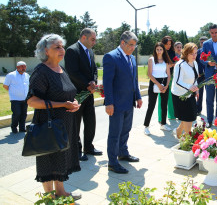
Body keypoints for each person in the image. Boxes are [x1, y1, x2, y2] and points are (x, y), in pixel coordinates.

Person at [27, 34, 81, 200]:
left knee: (61, 158)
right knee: (48, 160)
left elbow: (68, 92)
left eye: (62, 46)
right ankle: (50, 198)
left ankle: (61, 192)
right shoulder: (41, 72)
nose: (61, 50)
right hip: (48, 125)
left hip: (64, 123)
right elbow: (32, 101)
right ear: (45, 51)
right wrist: (63, 105)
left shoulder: (61, 69)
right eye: (56, 47)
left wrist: (74, 101)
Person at [103, 31, 142, 174]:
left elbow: (134, 79)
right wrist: (109, 103)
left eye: (134, 45)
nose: (133, 48)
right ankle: (112, 162)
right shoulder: (111, 57)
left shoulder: (131, 58)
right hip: (116, 104)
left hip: (129, 102)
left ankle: (123, 153)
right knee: (115, 133)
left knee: (126, 130)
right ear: (122, 43)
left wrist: (138, 96)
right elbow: (107, 83)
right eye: (131, 45)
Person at [65, 28, 102, 162]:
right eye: (93, 39)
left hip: (89, 93)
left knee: (90, 121)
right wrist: (88, 84)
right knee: (76, 123)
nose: (95, 42)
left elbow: (95, 70)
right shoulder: (72, 50)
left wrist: (94, 81)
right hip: (77, 93)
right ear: (84, 38)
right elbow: (73, 72)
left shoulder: (90, 51)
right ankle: (76, 149)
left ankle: (88, 147)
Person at [171, 43, 199, 138]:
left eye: (196, 53)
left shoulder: (195, 63)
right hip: (180, 95)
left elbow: (195, 78)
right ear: (186, 53)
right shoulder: (180, 64)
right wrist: (189, 87)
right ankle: (187, 138)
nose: (194, 56)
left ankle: (178, 131)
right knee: (187, 117)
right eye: (192, 53)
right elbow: (177, 81)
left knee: (190, 116)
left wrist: (196, 89)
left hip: (190, 93)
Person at [143, 42, 171, 135]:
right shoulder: (151, 59)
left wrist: (166, 86)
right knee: (151, 105)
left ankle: (163, 124)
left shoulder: (166, 60)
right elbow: (149, 74)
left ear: (163, 50)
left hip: (164, 83)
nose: (159, 51)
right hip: (154, 83)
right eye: (157, 49)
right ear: (155, 50)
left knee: (164, 105)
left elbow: (168, 74)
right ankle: (146, 126)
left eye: (161, 49)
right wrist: (159, 85)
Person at [3, 61, 30, 133]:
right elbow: (5, 85)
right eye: (22, 66)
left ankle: (22, 128)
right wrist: (12, 92)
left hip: (25, 99)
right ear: (17, 67)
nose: (24, 68)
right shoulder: (11, 75)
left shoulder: (26, 75)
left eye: (25, 66)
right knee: (17, 113)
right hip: (15, 99)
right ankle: (14, 127)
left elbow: (28, 85)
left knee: (24, 114)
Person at [158, 36, 176, 121]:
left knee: (171, 97)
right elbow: (157, 64)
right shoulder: (159, 52)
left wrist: (175, 64)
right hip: (161, 77)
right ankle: (161, 117)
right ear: (163, 44)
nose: (168, 46)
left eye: (170, 44)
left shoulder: (172, 52)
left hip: (171, 76)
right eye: (167, 44)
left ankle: (172, 115)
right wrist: (168, 65)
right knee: (161, 97)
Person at [196, 36, 207, 116]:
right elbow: (194, 63)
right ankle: (198, 110)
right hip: (200, 76)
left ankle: (210, 111)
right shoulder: (197, 52)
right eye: (201, 42)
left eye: (204, 42)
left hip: (209, 76)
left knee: (210, 95)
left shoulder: (210, 51)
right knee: (199, 94)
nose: (202, 43)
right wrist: (196, 73)